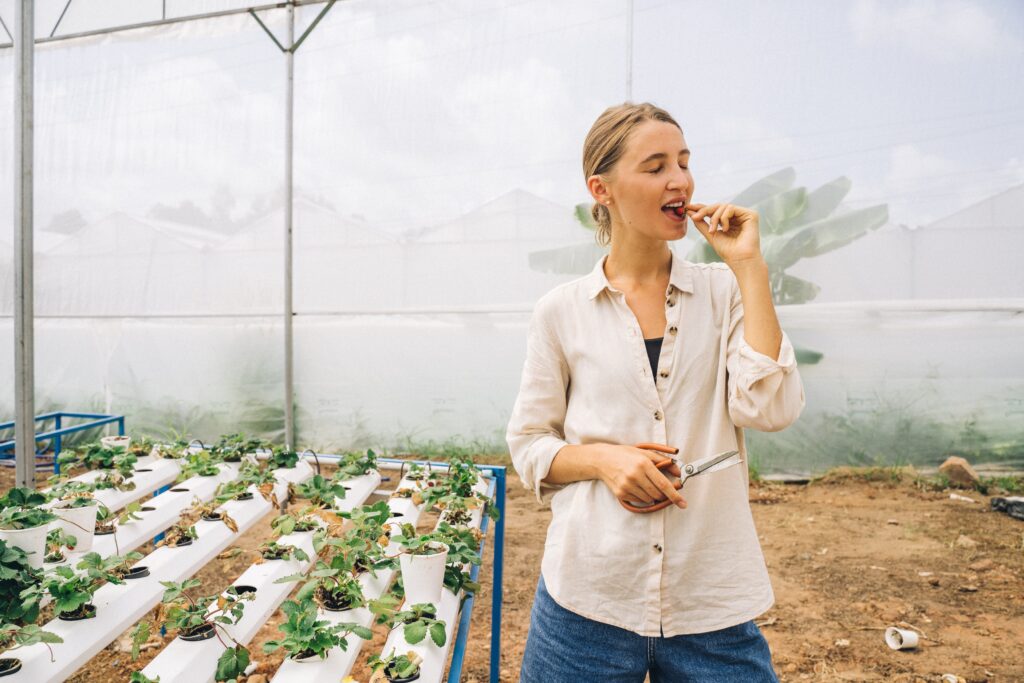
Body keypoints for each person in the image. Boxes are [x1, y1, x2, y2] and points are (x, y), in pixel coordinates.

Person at [506, 102, 806, 682]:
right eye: (656, 166)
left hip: (710, 604)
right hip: (587, 602)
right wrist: (603, 460)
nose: (681, 180)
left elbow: (768, 408)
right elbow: (529, 444)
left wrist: (750, 268)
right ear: (603, 188)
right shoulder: (561, 312)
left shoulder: (725, 294)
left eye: (685, 163)